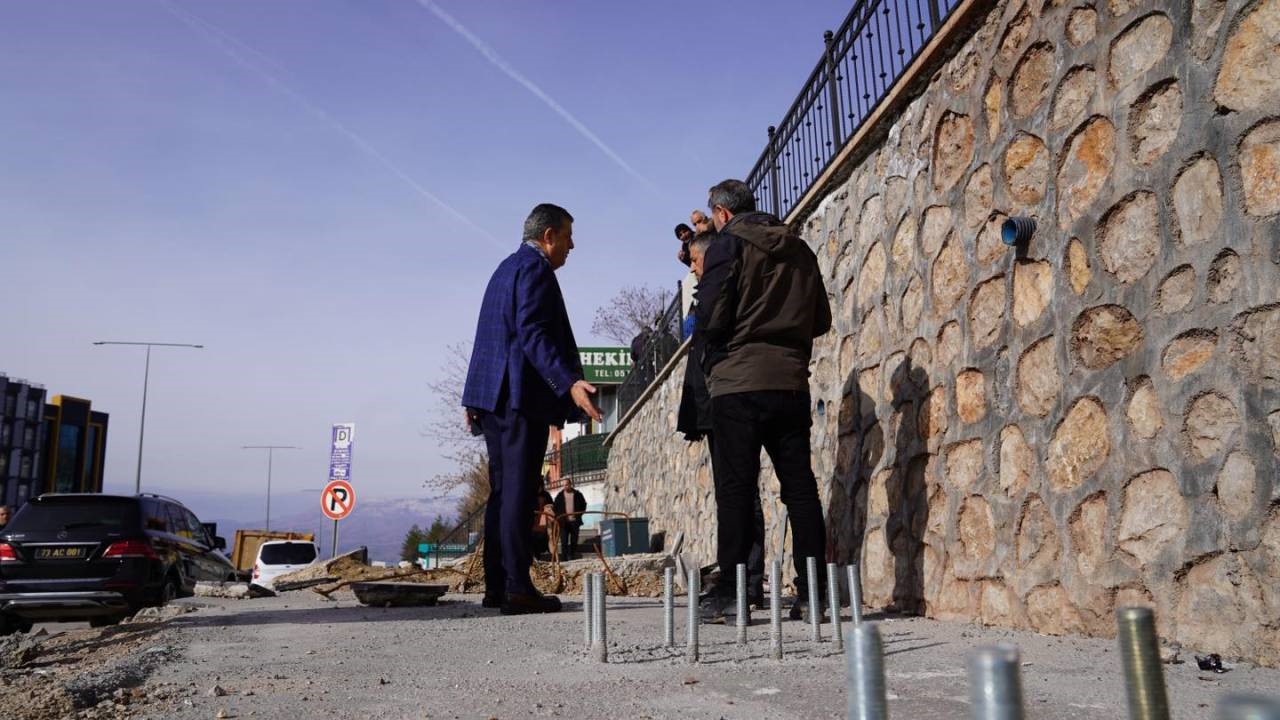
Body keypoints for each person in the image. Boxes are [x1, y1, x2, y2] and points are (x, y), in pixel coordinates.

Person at [694, 179, 832, 622]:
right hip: (789, 381)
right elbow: (821, 319)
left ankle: (732, 595)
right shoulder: (800, 249)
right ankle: (814, 594)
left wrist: (717, 350)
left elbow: (712, 314)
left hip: (737, 382)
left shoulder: (727, 244)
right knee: (800, 488)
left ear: (721, 213)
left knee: (736, 489)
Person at [462, 203, 603, 615]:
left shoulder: (504, 269)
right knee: (520, 492)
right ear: (548, 236)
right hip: (519, 398)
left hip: (493, 398)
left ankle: (497, 586)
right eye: (568, 236)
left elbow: (489, 335)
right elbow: (531, 332)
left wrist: (473, 396)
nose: (572, 246)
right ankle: (517, 587)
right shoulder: (536, 270)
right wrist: (568, 382)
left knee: (502, 492)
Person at [677, 234, 766, 613]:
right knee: (733, 493)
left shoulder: (725, 289)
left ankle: (746, 582)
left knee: (742, 492)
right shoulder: (705, 293)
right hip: (714, 404)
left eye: (695, 261)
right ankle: (739, 580)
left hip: (729, 398)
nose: (693, 269)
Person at [553, 477, 587, 560]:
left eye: (567, 485)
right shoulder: (560, 496)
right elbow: (555, 508)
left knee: (574, 540)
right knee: (564, 541)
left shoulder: (577, 494)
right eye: (564, 485)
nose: (565, 486)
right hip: (563, 523)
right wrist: (559, 517)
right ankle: (564, 558)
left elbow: (583, 504)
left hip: (574, 522)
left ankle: (572, 555)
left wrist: (579, 515)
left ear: (570, 484)